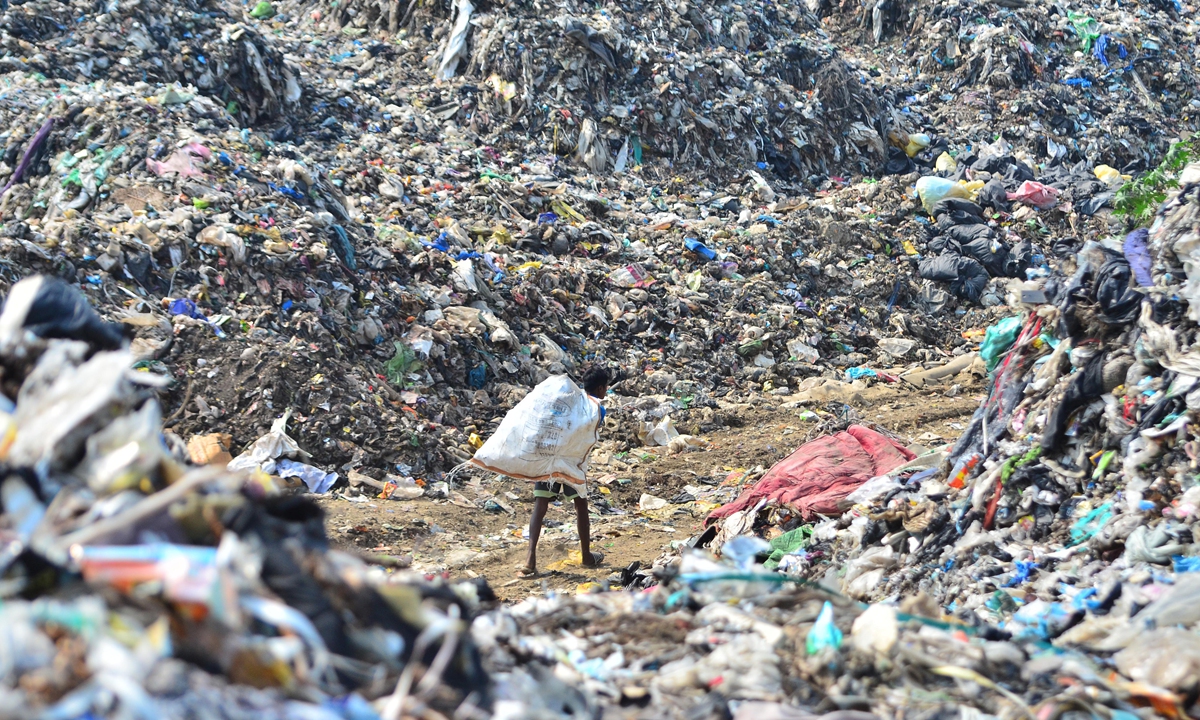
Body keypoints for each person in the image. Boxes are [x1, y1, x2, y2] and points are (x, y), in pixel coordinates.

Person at [518, 367, 609, 578]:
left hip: (550, 459)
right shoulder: (597, 408)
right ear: (601, 388)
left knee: (540, 506)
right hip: (572, 464)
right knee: (581, 506)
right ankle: (586, 555)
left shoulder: (568, 402)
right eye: (606, 387)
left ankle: (530, 559)